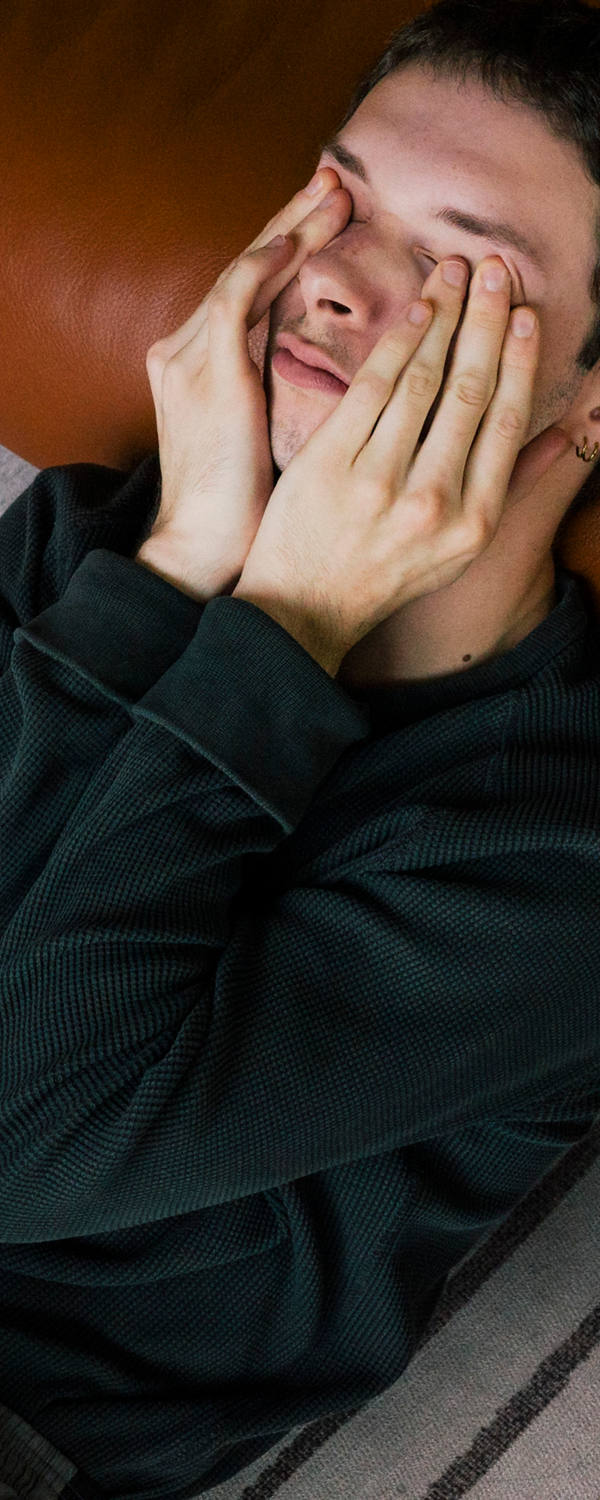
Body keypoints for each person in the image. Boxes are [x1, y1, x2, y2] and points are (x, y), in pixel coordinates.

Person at [1, 1, 600, 1496]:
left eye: (457, 265)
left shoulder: (559, 852)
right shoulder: (112, 537)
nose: (328, 276)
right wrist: (187, 567)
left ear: (591, 397)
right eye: (339, 200)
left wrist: (292, 621)